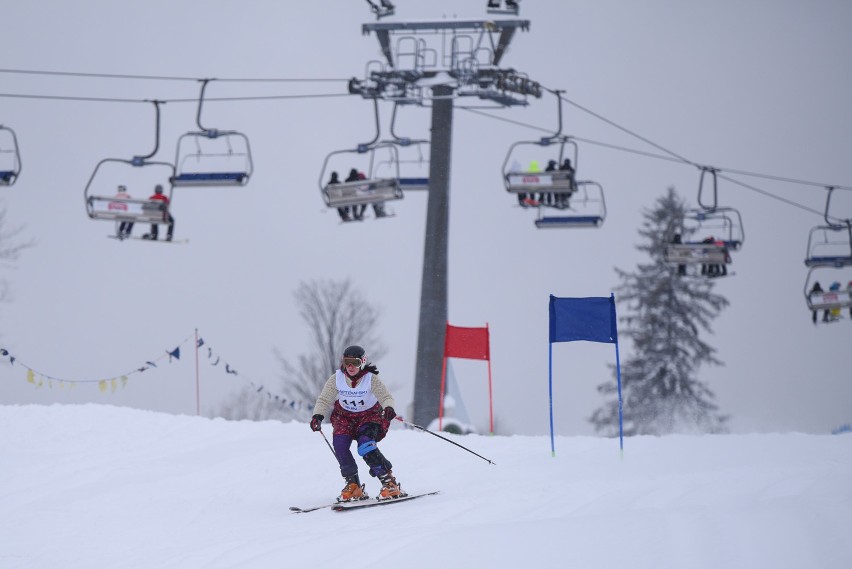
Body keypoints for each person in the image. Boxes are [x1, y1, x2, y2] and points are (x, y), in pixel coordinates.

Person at [310, 345, 404, 503]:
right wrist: (317, 416)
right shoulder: (337, 378)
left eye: (355, 362)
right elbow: (324, 399)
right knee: (340, 445)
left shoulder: (371, 379)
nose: (351, 366)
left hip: (369, 417)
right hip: (345, 417)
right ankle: (354, 485)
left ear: (363, 361)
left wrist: (388, 408)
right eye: (347, 362)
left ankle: (389, 483)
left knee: (365, 445)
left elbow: (386, 397)